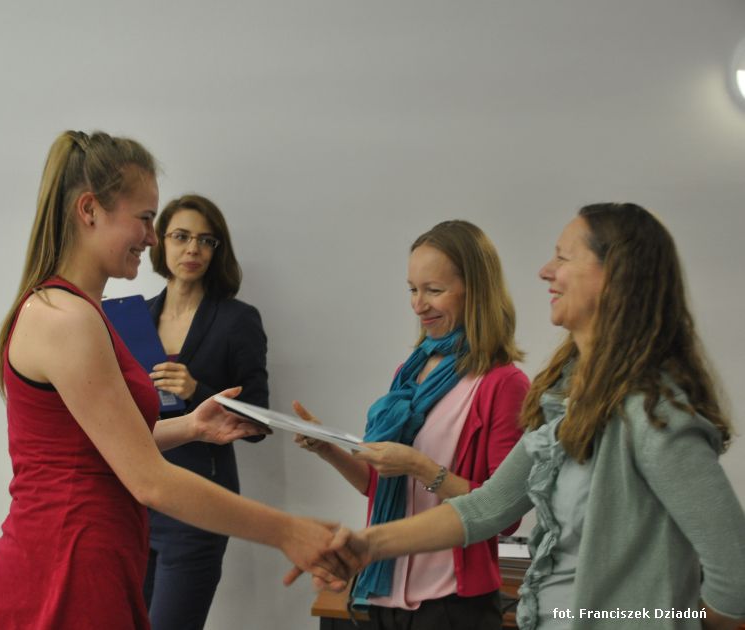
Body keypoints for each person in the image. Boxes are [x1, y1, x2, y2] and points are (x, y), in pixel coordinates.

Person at [0, 131, 344, 630]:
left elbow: (98, 445)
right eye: (145, 218)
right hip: (65, 564)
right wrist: (288, 531)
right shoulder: (67, 319)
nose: (151, 238)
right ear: (89, 210)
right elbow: (150, 481)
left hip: (89, 553)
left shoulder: (78, 312)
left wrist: (191, 426)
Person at [324, 203, 745, 630]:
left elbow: (736, 578)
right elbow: (487, 506)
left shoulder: (655, 415)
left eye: (563, 257)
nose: (546, 271)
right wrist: (366, 544)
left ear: (614, 276)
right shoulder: (566, 398)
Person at [293, 220, 529, 629]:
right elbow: (379, 484)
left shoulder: (504, 383)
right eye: (412, 289)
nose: (418, 305)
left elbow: (504, 515)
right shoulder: (410, 371)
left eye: (433, 290)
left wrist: (420, 466)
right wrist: (326, 447)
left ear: (476, 290)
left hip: (452, 604)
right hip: (385, 594)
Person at [142, 194, 269, 629]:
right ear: (160, 241)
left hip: (199, 502)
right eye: (181, 236)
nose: (192, 249)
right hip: (137, 498)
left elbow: (259, 422)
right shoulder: (135, 317)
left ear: (217, 250)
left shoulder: (237, 320)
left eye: (205, 240)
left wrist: (197, 390)